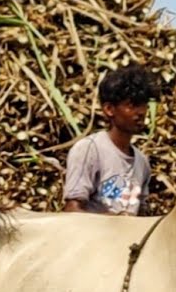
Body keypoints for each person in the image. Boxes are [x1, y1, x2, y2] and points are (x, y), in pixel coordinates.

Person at [62, 64, 159, 216]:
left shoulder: (142, 162)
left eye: (143, 105)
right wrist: (115, 221)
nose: (141, 112)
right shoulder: (90, 149)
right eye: (131, 105)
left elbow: (141, 215)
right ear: (109, 109)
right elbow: (72, 211)